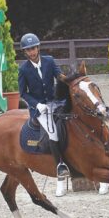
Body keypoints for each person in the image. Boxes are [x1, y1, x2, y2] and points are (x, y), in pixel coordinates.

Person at [18, 33, 70, 197]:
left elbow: (59, 76)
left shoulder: (49, 60)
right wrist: (37, 105)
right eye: (28, 50)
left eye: (33, 48)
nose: (32, 52)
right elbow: (23, 93)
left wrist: (69, 80)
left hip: (56, 102)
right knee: (53, 132)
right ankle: (60, 167)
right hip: (40, 107)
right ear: (25, 53)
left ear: (38, 47)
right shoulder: (23, 69)